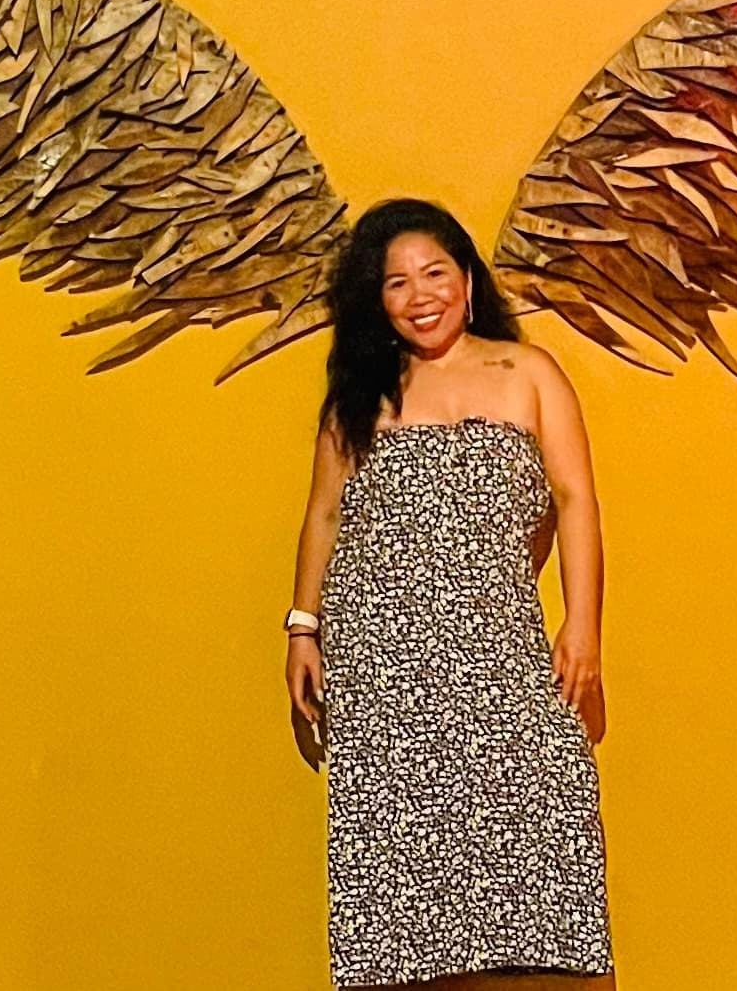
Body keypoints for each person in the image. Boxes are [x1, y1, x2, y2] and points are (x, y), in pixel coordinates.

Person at [284, 198, 615, 990]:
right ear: (377, 300)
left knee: (543, 842)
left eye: (435, 273)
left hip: (500, 652)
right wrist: (302, 629)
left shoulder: (527, 373)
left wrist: (583, 627)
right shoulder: (361, 397)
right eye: (396, 283)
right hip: (382, 669)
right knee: (398, 881)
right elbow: (325, 513)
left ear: (466, 279)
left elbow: (575, 499)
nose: (419, 294)